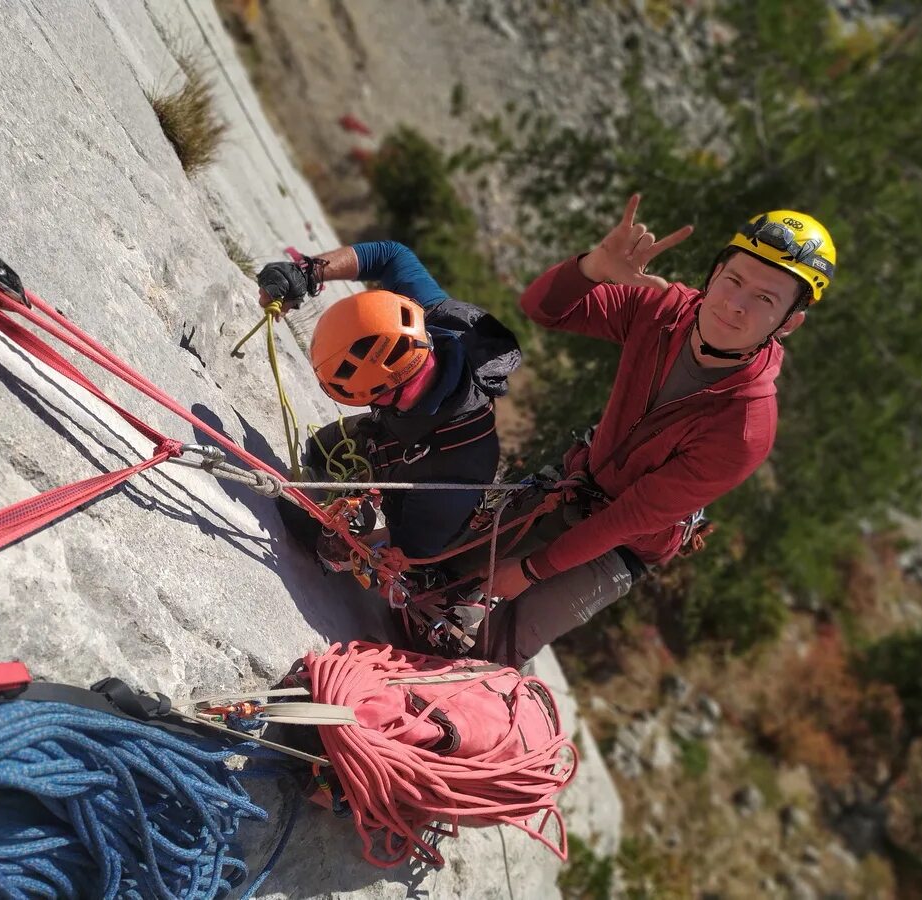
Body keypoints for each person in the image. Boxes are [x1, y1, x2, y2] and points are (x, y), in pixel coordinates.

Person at [474, 195, 837, 666]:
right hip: (575, 484)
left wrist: (529, 570)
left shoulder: (746, 426)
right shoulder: (663, 310)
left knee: (499, 645)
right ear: (713, 275)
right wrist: (592, 268)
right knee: (446, 564)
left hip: (625, 545)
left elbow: (630, 517)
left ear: (790, 323)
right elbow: (543, 308)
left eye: (764, 299)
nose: (735, 305)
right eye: (733, 280)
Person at [256, 241, 521, 566]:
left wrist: (346, 546)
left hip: (428, 495)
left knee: (304, 524)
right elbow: (391, 256)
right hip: (399, 437)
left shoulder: (457, 475)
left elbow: (411, 550)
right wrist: (304, 273)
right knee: (322, 449)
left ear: (386, 396)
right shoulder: (425, 321)